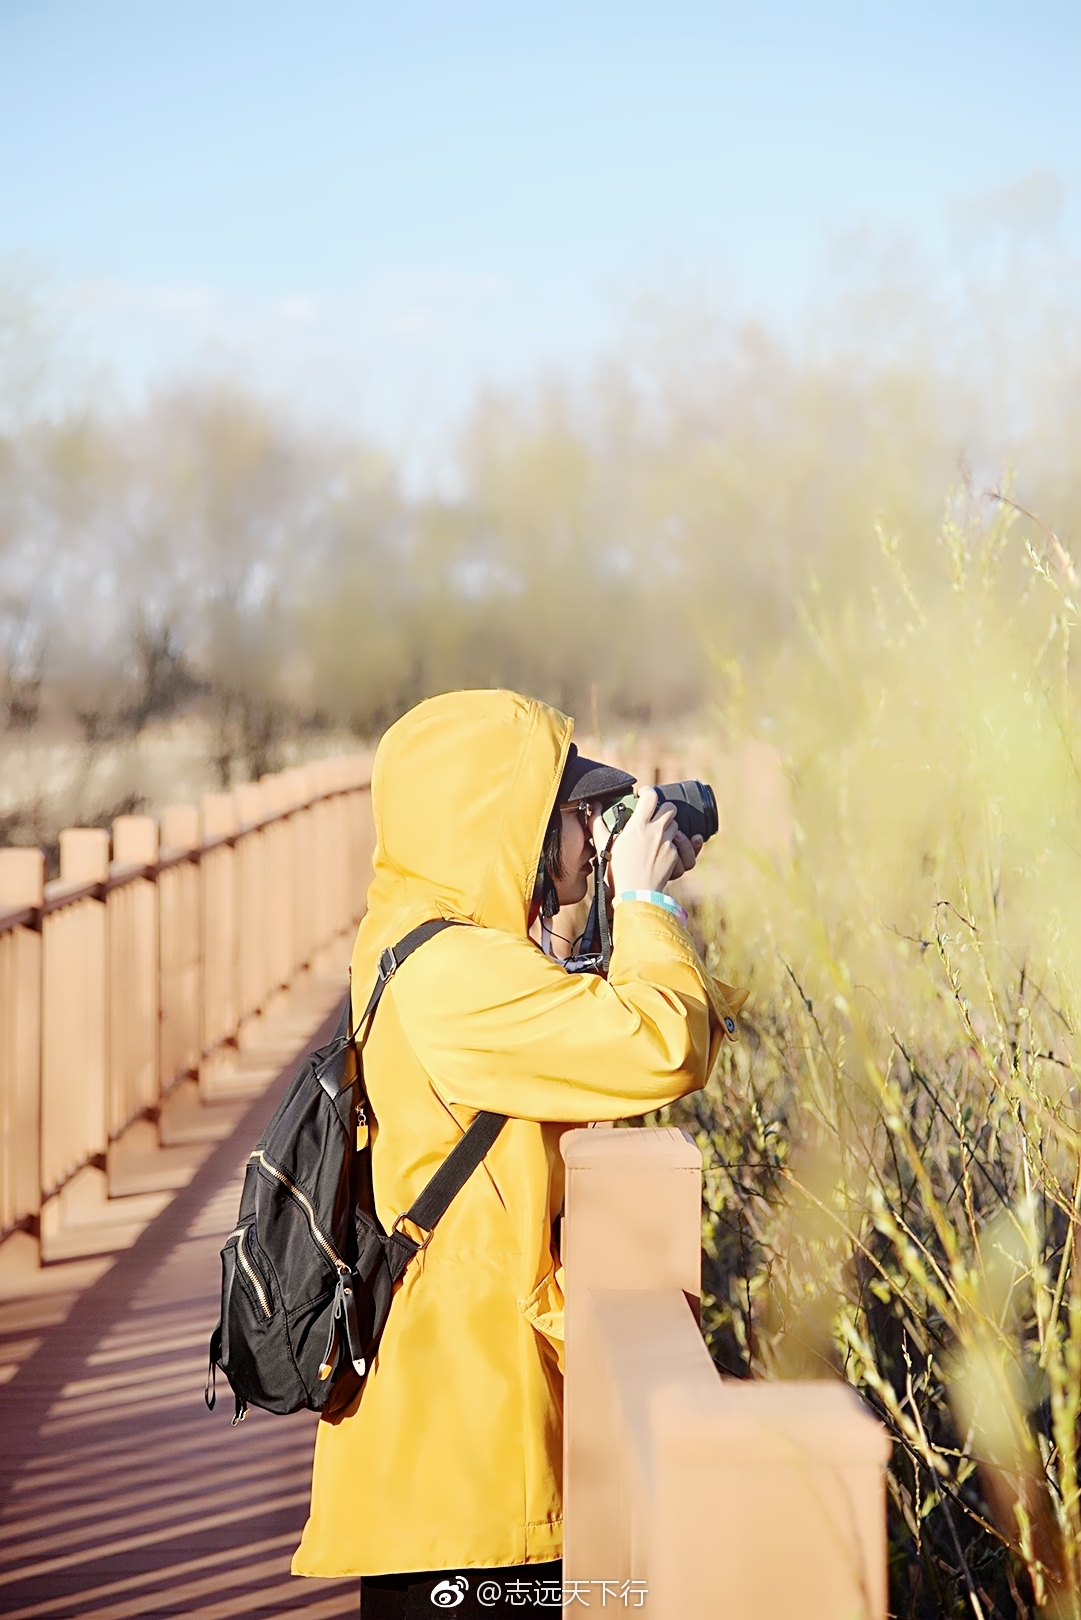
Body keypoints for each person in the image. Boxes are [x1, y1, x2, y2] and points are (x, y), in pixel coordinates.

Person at [291, 688, 745, 1617]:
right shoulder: (454, 976)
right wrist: (649, 898)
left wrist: (607, 910)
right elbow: (661, 1046)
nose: (592, 831)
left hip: (462, 1431)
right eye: (576, 813)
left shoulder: (423, 938)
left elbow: (607, 1031)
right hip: (464, 1452)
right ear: (511, 824)